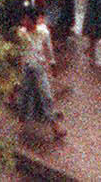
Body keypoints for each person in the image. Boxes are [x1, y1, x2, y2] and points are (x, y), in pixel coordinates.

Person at [12, 7, 67, 141]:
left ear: (31, 19)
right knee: (25, 96)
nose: (23, 21)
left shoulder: (43, 32)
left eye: (25, 19)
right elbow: (19, 54)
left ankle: (54, 125)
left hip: (39, 68)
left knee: (46, 95)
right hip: (26, 68)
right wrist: (17, 74)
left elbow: (48, 49)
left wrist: (52, 64)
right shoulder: (21, 34)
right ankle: (21, 123)